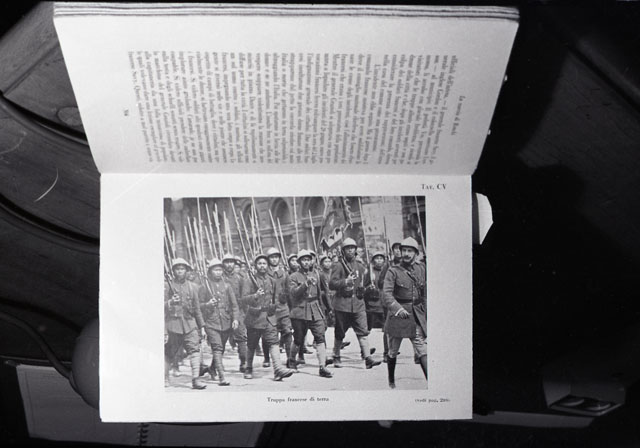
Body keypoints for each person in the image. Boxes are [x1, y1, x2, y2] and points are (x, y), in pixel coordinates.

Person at [382, 237, 428, 389]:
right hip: (398, 316)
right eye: (404, 250)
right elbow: (387, 294)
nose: (406, 254)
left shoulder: (421, 268)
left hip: (415, 315)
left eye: (410, 251)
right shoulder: (393, 271)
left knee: (421, 348)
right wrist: (398, 309)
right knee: (393, 350)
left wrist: (426, 313)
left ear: (416, 253)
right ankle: (391, 381)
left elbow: (425, 292)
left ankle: (431, 382)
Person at [329, 238, 381, 369]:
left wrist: (369, 287)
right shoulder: (338, 266)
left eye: (352, 248)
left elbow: (365, 284)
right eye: (347, 248)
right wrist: (345, 282)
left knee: (363, 331)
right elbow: (332, 284)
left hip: (358, 303)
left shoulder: (360, 266)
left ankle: (368, 358)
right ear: (343, 250)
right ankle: (336, 355)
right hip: (342, 304)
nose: (350, 250)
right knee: (340, 332)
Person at [242, 254, 294, 380]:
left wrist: (274, 307)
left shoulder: (272, 280)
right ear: (255, 266)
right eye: (259, 263)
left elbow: (275, 298)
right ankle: (248, 368)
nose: (262, 266)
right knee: (252, 344)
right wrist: (255, 296)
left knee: (273, 342)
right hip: (254, 317)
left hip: (269, 317)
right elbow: (243, 299)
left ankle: (278, 369)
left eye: (264, 263)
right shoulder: (249, 280)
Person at [289, 250, 333, 378]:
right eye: (303, 260)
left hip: (314, 308)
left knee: (320, 337)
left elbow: (321, 293)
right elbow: (294, 293)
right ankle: (292, 360)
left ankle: (322, 366)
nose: (306, 262)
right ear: (299, 262)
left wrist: (325, 309)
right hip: (300, 310)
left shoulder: (317, 274)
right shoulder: (293, 276)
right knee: (298, 338)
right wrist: (305, 284)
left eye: (308, 259)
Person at [164, 258, 207, 389]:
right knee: (169, 353)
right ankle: (165, 377)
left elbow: (197, 308)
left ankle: (196, 379)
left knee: (194, 350)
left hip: (190, 324)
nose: (180, 271)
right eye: (177, 269)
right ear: (173, 271)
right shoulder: (167, 286)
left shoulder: (193, 287)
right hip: (173, 325)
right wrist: (170, 302)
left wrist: (202, 327)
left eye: (182, 269)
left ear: (186, 271)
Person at [200, 258, 239, 386]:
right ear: (210, 271)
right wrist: (207, 304)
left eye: (220, 270)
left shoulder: (227, 286)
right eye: (215, 270)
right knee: (217, 348)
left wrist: (235, 319)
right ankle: (222, 377)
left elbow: (234, 305)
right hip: (211, 322)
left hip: (226, 322)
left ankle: (212, 369)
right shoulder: (205, 286)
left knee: (220, 349)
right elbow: (198, 306)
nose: (218, 272)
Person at [265, 247, 294, 370]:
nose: (274, 259)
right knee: (270, 335)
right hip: (270, 310)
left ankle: (290, 360)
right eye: (272, 257)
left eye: (276, 257)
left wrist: (291, 308)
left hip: (283, 308)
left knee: (287, 333)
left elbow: (289, 291)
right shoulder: (265, 273)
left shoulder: (285, 274)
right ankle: (268, 358)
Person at [222, 253, 249, 373]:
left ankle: (244, 362)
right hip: (223, 312)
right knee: (221, 339)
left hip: (238, 310)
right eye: (227, 262)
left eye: (231, 262)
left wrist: (243, 313)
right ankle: (217, 364)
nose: (229, 265)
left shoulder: (240, 278)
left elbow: (245, 296)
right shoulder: (220, 278)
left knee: (241, 337)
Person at [363, 251, 386, 355]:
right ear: (373, 261)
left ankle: (388, 351)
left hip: (383, 303)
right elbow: (362, 287)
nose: (379, 261)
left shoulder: (387, 272)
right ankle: (365, 350)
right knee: (367, 329)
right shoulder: (369, 272)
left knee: (387, 329)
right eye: (377, 258)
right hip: (371, 303)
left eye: (381, 258)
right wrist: (369, 288)